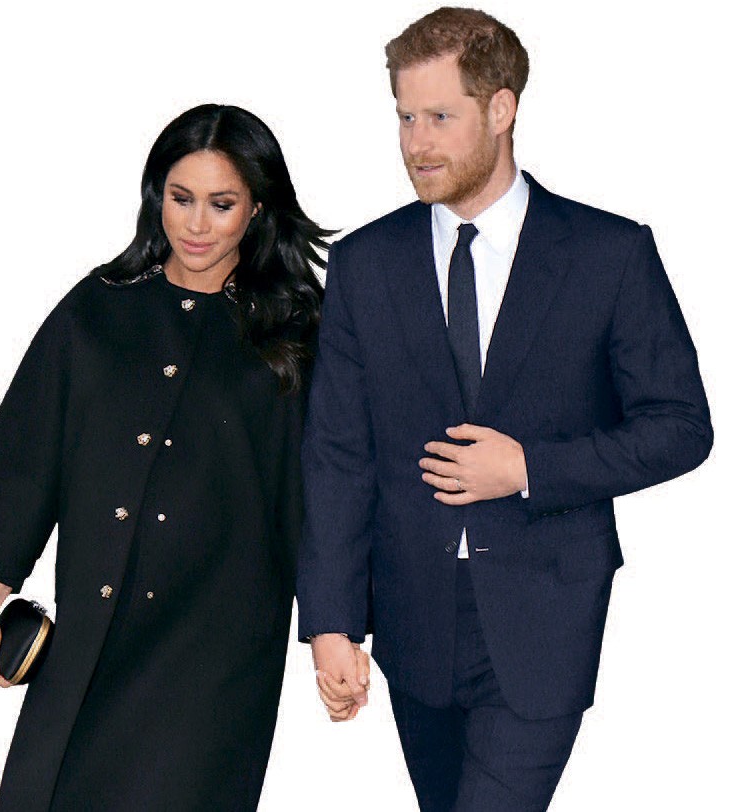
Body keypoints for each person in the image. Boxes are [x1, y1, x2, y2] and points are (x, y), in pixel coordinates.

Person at [296, 7, 713, 811]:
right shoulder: (363, 262)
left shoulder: (608, 253)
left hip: (543, 614)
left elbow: (679, 427)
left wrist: (530, 468)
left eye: (439, 117)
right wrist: (330, 621)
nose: (416, 142)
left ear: (500, 109)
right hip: (412, 618)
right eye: (404, 117)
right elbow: (337, 452)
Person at [0, 103, 330, 811]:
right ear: (156, 197)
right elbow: (31, 447)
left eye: (221, 204)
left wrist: (334, 626)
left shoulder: (294, 335)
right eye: (181, 198)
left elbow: (322, 492)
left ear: (257, 209)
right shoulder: (98, 310)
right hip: (90, 631)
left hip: (216, 653)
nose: (196, 224)